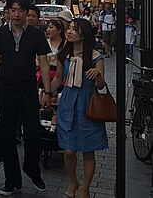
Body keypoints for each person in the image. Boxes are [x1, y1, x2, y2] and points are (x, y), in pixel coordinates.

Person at [0, 0, 52, 196]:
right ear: (7, 12)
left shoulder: (36, 34)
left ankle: (31, 168)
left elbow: (43, 63)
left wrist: (47, 91)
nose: (16, 14)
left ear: (27, 13)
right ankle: (12, 181)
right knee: (7, 137)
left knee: (33, 134)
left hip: (28, 91)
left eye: (20, 10)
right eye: (12, 10)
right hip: (5, 90)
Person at [46, 18, 107, 198]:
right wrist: (48, 93)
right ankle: (73, 181)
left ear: (83, 35)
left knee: (88, 151)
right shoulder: (64, 54)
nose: (69, 31)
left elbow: (101, 85)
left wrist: (98, 75)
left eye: (74, 29)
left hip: (88, 106)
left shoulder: (96, 57)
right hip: (68, 104)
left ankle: (85, 189)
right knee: (69, 150)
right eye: (69, 28)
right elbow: (59, 78)